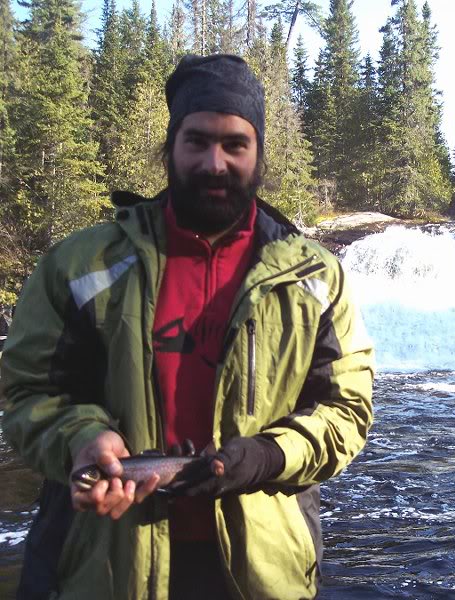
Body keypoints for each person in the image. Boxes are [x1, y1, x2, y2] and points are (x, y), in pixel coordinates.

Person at [0, 54, 374, 599]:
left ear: (260, 153)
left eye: (234, 144)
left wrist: (266, 456)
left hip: (260, 573)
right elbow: (27, 391)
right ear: (171, 147)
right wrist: (82, 440)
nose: (214, 162)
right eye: (196, 141)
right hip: (102, 568)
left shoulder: (316, 277)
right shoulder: (79, 266)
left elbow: (346, 410)